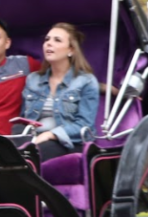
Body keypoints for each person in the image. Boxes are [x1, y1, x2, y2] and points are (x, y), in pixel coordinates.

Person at [16, 23, 99, 162]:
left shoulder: (86, 81)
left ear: (71, 50)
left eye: (57, 40)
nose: (49, 44)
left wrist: (51, 134)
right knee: (15, 136)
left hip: (68, 141)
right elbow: (25, 118)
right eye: (47, 39)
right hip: (34, 137)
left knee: (34, 154)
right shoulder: (33, 79)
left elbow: (85, 126)